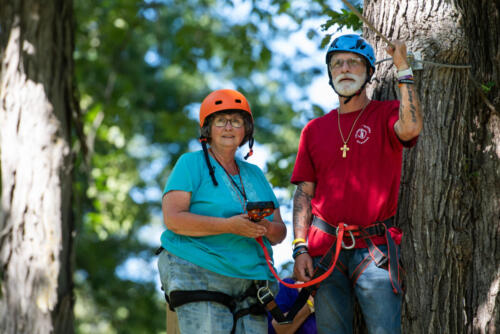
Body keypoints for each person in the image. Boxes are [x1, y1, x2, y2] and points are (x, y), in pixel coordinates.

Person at [291, 34, 423, 334]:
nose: (344, 68)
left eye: (353, 62)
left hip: (374, 247)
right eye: (337, 63)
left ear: (369, 72)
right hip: (324, 250)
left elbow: (411, 126)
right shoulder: (314, 130)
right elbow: (303, 194)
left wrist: (404, 70)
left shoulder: (386, 114)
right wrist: (299, 249)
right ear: (329, 73)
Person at [157, 89, 287, 334]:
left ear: (246, 129)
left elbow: (279, 232)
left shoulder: (255, 174)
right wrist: (229, 226)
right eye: (221, 121)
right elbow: (173, 219)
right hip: (198, 269)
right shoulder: (190, 164)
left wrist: (265, 227)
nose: (229, 127)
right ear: (208, 129)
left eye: (236, 121)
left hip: (251, 281)